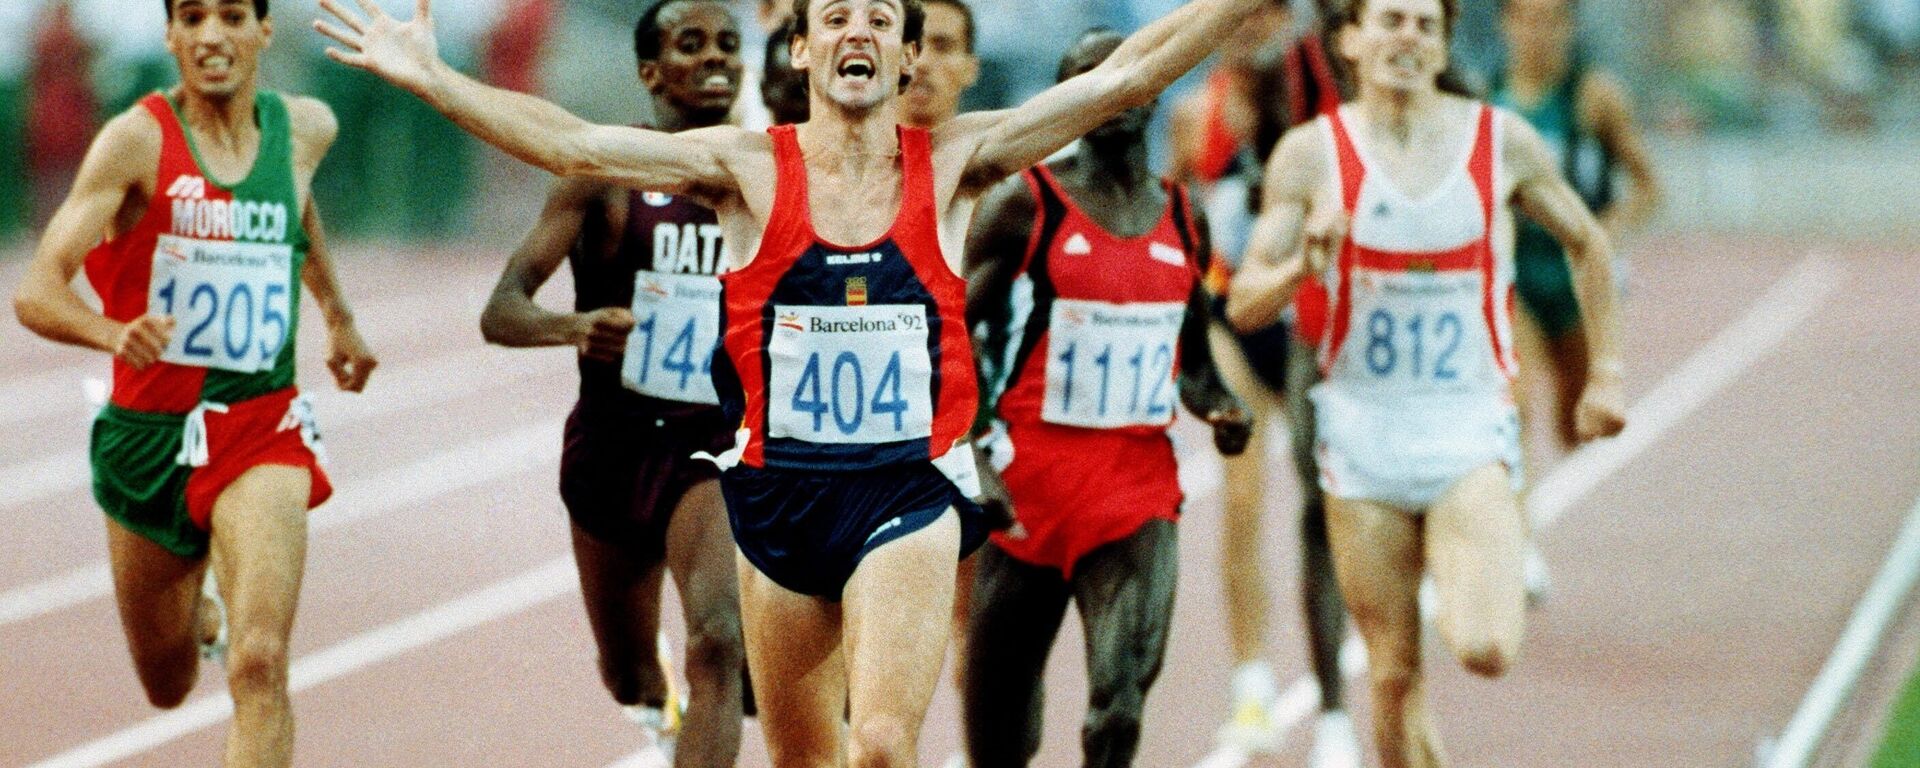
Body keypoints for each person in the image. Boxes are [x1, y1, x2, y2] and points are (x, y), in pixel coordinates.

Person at [313, 0, 1268, 763]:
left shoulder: (957, 160)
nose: (860, 31)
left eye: (882, 22)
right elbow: (576, 146)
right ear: (805, 50)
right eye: (838, 18)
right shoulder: (742, 170)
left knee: (884, 744)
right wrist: (435, 80)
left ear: (903, 60)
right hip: (777, 500)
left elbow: (1130, 73)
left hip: (906, 492)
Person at [1224, 0, 1627, 764]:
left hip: (1465, 428)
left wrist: (1603, 374)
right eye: (1391, 19)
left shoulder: (1498, 140)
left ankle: (1461, 553)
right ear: (1350, 38)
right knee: (1392, 675)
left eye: (1424, 25)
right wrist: (1300, 268)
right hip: (1360, 434)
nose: (1406, 37)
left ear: (1443, 47)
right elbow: (1244, 301)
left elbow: (1586, 239)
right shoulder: (1309, 156)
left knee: (1485, 645)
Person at [11, 1, 378, 766]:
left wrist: (337, 313)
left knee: (260, 662)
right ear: (172, 34)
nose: (214, 34)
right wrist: (113, 332)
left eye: (234, 15)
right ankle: (200, 615)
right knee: (167, 683)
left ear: (263, 30)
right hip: (148, 438)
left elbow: (293, 209)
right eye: (195, 16)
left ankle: (234, 627)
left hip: (259, 423)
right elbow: (37, 290)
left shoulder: (306, 128)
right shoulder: (134, 141)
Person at [960, 29, 1251, 767]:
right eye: (1089, 75)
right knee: (999, 737)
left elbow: (1193, 364)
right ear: (1065, 99)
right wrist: (974, 456)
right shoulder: (1025, 206)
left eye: (1127, 73)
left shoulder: (1185, 217)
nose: (1112, 88)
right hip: (1028, 488)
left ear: (1153, 91)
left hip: (1135, 490)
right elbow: (950, 338)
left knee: (1117, 710)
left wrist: (1221, 406)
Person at [477, 1, 748, 764]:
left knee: (720, 641)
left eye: (728, 43)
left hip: (711, 449)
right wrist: (574, 326)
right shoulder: (603, 177)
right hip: (613, 448)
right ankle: (653, 699)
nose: (715, 58)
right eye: (690, 44)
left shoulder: (760, 178)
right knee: (627, 675)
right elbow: (501, 309)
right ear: (651, 71)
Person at [1170, 1, 1363, 761]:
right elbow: (1173, 211)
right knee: (1243, 502)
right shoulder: (1196, 112)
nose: (1256, 20)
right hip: (1233, 320)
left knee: (1326, 504)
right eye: (1242, 9)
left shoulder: (1330, 104)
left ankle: (1335, 707)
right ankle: (1251, 688)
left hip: (1316, 326)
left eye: (1273, 7)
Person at [1493, 0, 1660, 543]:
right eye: (1526, 19)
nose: (1537, 34)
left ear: (1568, 28)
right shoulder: (1486, 99)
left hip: (1577, 275)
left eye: (1550, 20)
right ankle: (1519, 538)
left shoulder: (1594, 98)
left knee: (1571, 425)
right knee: (1512, 401)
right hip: (1514, 272)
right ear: (1506, 25)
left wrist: (1604, 234)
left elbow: (1647, 186)